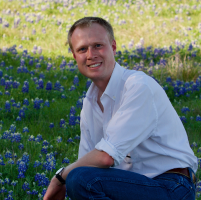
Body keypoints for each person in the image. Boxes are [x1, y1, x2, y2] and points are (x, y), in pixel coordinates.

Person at [43, 17, 198, 200]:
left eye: (98, 45)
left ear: (113, 47)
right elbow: (87, 165)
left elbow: (105, 158)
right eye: (82, 49)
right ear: (74, 56)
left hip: (171, 186)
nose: (91, 54)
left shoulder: (138, 86)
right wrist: (68, 177)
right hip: (129, 186)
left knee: (81, 179)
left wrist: (60, 177)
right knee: (80, 177)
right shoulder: (89, 104)